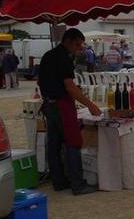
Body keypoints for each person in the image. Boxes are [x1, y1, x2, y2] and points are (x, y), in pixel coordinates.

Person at [39, 28, 100, 195]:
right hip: (61, 105)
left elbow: (45, 82)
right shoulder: (64, 58)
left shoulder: (47, 55)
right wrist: (90, 104)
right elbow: (69, 87)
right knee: (73, 142)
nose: (79, 49)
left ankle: (58, 182)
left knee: (54, 144)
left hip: (49, 105)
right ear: (68, 41)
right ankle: (78, 184)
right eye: (77, 45)